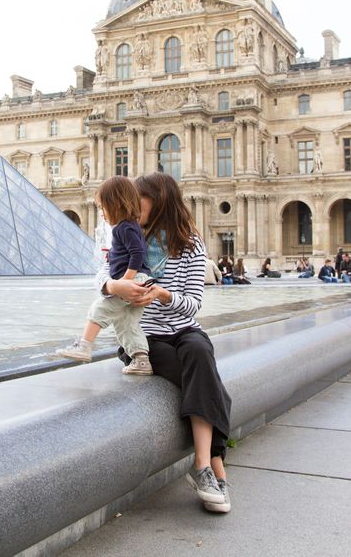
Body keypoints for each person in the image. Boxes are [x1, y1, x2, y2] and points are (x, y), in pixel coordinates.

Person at [101, 173, 232, 513]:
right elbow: (100, 278)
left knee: (200, 351)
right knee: (208, 382)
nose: (131, 205)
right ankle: (215, 467)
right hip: (142, 339)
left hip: (183, 328)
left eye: (138, 199)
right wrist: (115, 287)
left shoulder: (190, 244)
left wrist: (163, 295)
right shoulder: (127, 234)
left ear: (157, 201)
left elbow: (193, 304)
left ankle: (202, 464)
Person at [58, 176, 153, 375]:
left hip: (134, 281)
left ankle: (84, 346)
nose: (101, 213)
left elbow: (138, 255)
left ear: (116, 204)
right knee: (127, 324)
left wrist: (125, 281)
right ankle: (141, 359)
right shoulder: (130, 227)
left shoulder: (123, 228)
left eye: (103, 207)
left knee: (99, 308)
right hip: (140, 281)